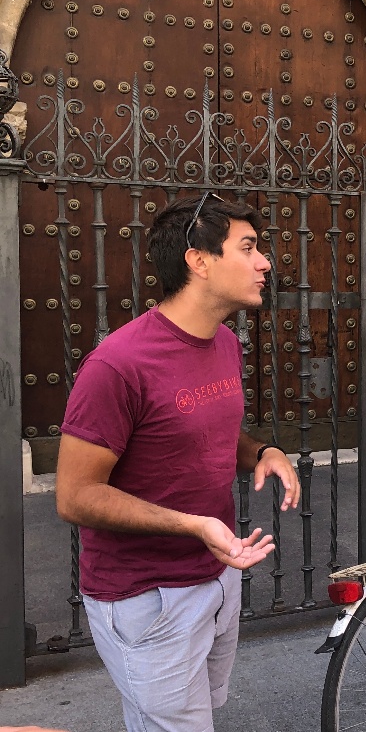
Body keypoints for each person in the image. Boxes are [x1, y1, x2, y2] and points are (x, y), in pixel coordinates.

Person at [56, 192, 301, 732]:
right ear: (199, 259)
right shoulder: (117, 365)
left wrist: (263, 451)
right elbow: (75, 495)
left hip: (216, 576)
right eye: (249, 247)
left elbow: (203, 427)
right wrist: (189, 525)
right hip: (147, 598)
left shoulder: (224, 345)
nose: (264, 263)